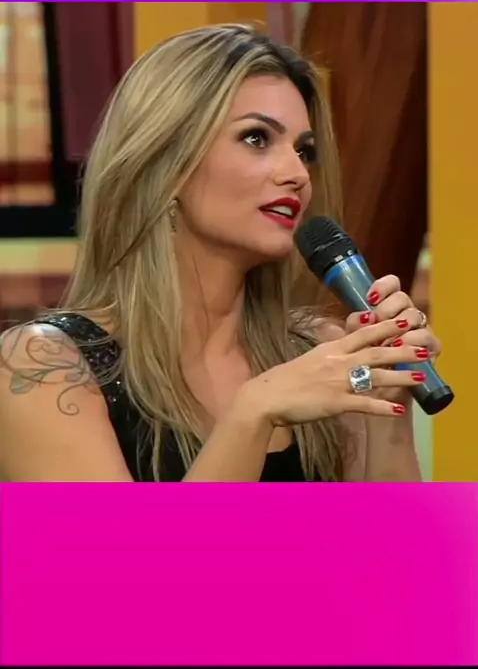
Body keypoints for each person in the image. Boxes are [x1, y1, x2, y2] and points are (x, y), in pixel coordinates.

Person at [0, 24, 440, 482]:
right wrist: (253, 415)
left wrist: (390, 407)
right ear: (168, 163)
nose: (297, 174)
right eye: (257, 138)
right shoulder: (45, 367)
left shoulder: (322, 353)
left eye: (304, 151)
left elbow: (393, 532)